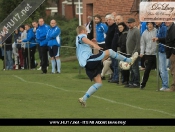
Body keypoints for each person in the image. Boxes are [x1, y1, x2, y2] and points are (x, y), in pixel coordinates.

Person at [76, 26, 138, 107]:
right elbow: (83, 39)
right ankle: (129, 61)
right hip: (89, 61)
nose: (87, 33)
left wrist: (93, 43)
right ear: (83, 30)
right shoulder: (80, 36)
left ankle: (83, 99)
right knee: (110, 52)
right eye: (86, 31)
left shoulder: (79, 41)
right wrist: (94, 45)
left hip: (88, 65)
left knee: (98, 83)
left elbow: (85, 44)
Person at [153, 22, 175, 92]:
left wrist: (173, 52)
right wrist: (158, 39)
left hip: (172, 52)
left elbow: (172, 40)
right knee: (172, 70)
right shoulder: (168, 28)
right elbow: (167, 39)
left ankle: (172, 87)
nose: (166, 22)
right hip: (169, 52)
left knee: (172, 70)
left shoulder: (172, 28)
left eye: (167, 20)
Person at [140, 22, 157, 89]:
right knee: (147, 70)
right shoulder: (144, 33)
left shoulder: (156, 31)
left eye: (151, 24)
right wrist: (142, 52)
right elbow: (142, 43)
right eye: (148, 24)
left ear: (153, 25)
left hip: (156, 54)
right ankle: (143, 84)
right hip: (148, 54)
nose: (149, 25)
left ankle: (165, 85)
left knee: (159, 70)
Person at [125, 18, 140, 88]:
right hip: (129, 52)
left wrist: (135, 52)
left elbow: (138, 43)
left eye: (130, 23)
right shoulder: (129, 30)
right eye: (128, 23)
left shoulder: (136, 31)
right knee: (131, 68)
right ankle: (132, 81)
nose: (129, 24)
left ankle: (136, 82)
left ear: (134, 23)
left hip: (134, 53)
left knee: (135, 68)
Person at [105, 14, 119, 83]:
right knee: (112, 64)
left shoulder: (115, 27)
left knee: (115, 64)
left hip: (114, 49)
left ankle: (116, 78)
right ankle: (114, 76)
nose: (108, 21)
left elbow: (115, 39)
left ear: (113, 20)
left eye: (110, 19)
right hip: (109, 49)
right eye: (107, 20)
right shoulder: (109, 27)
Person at [155, 22, 169, 91]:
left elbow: (165, 39)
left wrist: (158, 39)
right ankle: (164, 84)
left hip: (163, 50)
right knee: (161, 69)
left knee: (163, 69)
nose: (155, 22)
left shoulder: (163, 27)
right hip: (160, 50)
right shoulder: (158, 27)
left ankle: (165, 85)